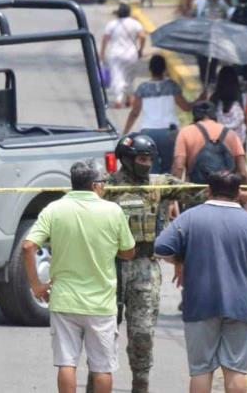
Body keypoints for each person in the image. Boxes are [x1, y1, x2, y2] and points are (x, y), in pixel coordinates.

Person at [90, 134, 207, 393]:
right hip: (109, 268)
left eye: (150, 159)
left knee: (142, 333)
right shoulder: (105, 187)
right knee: (102, 334)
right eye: (142, 159)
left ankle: (140, 385)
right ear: (127, 159)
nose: (147, 164)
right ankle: (96, 384)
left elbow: (198, 192)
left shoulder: (160, 184)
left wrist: (237, 194)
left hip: (145, 268)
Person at [23, 160, 135, 393]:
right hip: (101, 304)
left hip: (64, 300)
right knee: (102, 367)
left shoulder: (54, 209)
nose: (104, 187)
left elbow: (27, 246)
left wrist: (36, 286)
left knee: (66, 362)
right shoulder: (112, 211)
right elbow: (128, 252)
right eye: (102, 183)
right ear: (95, 185)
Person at [155, 171, 247, 393]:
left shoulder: (190, 217)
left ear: (208, 191)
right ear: (239, 193)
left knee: (201, 369)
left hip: (199, 303)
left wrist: (180, 260)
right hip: (241, 304)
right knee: (236, 370)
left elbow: (161, 246)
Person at [123, 55, 201, 173]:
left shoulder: (142, 88)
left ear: (150, 69)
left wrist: (125, 132)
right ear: (165, 69)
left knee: (150, 166)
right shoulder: (172, 86)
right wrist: (200, 99)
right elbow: (186, 107)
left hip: (148, 132)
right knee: (169, 167)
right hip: (169, 132)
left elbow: (134, 113)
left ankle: (154, 190)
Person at [172, 100, 247, 182]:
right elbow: (243, 173)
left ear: (194, 115)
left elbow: (178, 167)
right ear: (215, 115)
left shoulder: (185, 132)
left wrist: (177, 190)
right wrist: (244, 191)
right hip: (227, 190)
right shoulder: (231, 134)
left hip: (197, 190)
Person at [100, 2, 146, 108]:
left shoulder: (112, 24)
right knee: (129, 77)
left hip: (115, 54)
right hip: (131, 55)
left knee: (117, 76)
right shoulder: (135, 24)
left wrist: (102, 53)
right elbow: (143, 37)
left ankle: (118, 99)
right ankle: (130, 98)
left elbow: (105, 39)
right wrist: (140, 49)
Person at [210, 65, 247, 158]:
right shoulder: (244, 99)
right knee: (239, 170)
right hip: (239, 142)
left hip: (218, 142)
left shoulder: (214, 99)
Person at [193, 0, 229, 84]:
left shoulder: (198, 1)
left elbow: (193, 14)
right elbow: (227, 15)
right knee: (214, 57)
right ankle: (212, 77)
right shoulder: (222, 2)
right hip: (216, 35)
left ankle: (204, 78)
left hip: (201, 34)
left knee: (201, 58)